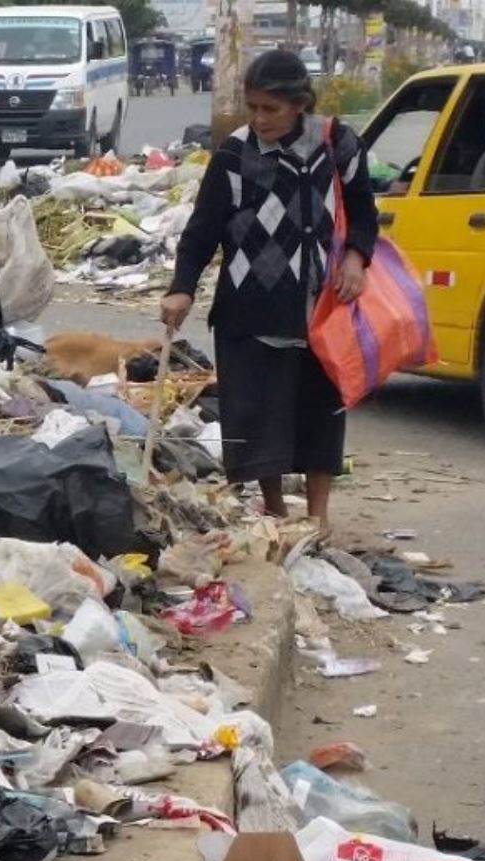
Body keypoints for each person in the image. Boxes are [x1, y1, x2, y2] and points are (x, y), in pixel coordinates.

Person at [159, 48, 376, 532]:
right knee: (259, 415)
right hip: (250, 307)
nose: (259, 119)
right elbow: (202, 231)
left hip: (322, 305)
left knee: (322, 412)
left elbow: (364, 212)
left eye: (270, 109)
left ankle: (318, 518)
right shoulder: (235, 155)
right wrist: (182, 288)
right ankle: (275, 511)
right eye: (252, 107)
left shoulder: (337, 143)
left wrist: (357, 260)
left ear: (300, 103)